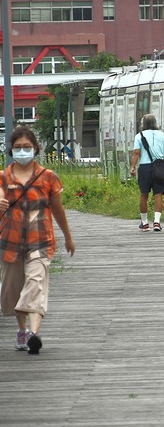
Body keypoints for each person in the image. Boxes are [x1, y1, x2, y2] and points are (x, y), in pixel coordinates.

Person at [0, 125, 76, 355]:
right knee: (13, 292)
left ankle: (33, 334)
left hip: (40, 241)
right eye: (18, 148)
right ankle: (22, 330)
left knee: (35, 283)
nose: (22, 151)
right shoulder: (3, 177)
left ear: (36, 149)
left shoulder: (48, 177)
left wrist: (68, 237)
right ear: (11, 151)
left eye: (27, 147)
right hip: (10, 243)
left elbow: (58, 210)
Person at [130, 114, 164, 232]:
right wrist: (161, 162)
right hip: (158, 167)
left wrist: (132, 167)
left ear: (143, 124)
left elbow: (136, 153)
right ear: (155, 123)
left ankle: (145, 223)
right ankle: (157, 222)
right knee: (158, 194)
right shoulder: (163, 135)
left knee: (144, 194)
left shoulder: (139, 136)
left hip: (145, 168)